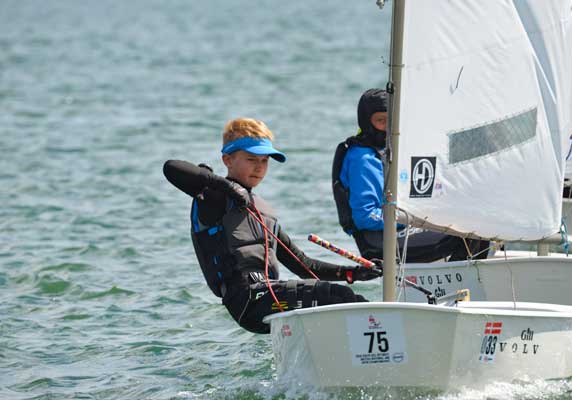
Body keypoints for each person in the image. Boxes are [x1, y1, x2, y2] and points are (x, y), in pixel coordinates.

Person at [164, 117, 382, 334]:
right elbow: (171, 168)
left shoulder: (263, 211)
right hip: (248, 300)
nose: (259, 168)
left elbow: (303, 265)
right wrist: (228, 187)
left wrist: (353, 273)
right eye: (251, 159)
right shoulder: (213, 197)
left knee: (346, 300)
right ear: (227, 160)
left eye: (264, 161)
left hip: (270, 297)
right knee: (340, 298)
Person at [332, 88, 489, 262]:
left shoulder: (391, 150)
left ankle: (465, 278)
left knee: (481, 222)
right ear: (366, 122)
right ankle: (460, 283)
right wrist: (413, 219)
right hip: (378, 241)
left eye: (391, 120)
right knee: (469, 232)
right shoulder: (362, 159)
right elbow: (365, 217)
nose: (387, 127)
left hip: (403, 228)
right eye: (380, 121)